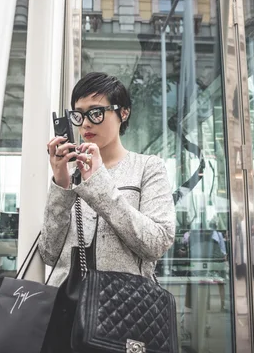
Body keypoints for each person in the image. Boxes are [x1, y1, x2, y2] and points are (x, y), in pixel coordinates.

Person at [39, 72, 176, 289]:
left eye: (95, 113)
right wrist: (61, 183)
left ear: (123, 113)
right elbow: (49, 253)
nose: (85, 123)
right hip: (67, 308)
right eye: (79, 115)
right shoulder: (72, 174)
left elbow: (157, 243)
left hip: (124, 306)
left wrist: (98, 182)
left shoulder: (147, 167)